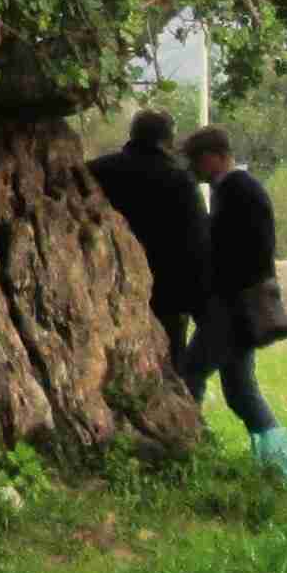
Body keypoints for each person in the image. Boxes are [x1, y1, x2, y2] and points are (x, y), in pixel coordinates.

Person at [180, 125, 287, 487]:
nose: (194, 169)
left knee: (190, 374)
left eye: (197, 161)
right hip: (239, 304)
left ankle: (187, 450)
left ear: (216, 156)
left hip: (232, 306)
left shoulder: (235, 190)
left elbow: (229, 252)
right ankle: (283, 470)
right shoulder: (240, 189)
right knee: (240, 390)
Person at [88, 107, 209, 386]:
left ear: (132, 134)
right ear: (167, 140)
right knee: (171, 364)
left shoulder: (99, 170)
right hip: (170, 289)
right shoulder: (178, 180)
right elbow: (197, 240)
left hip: (110, 283)